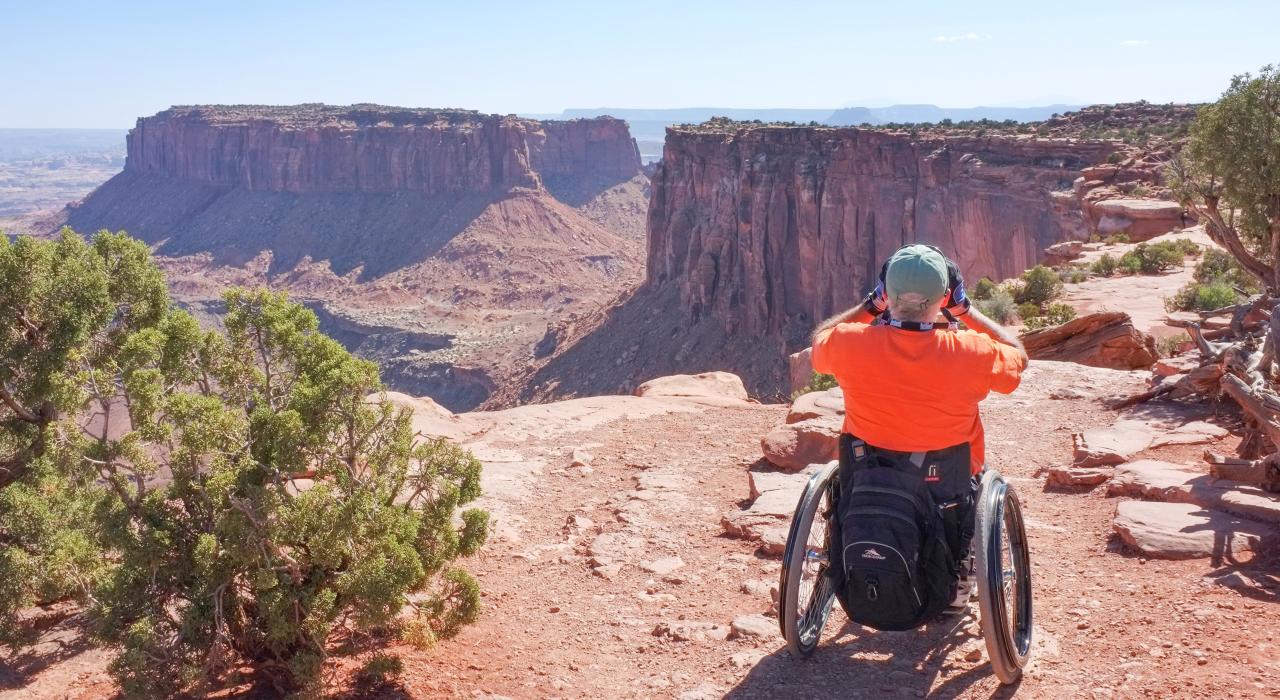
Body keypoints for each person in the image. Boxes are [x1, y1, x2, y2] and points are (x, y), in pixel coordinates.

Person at [809, 244, 1028, 611]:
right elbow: (1018, 356)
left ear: (886, 295)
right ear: (944, 297)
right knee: (977, 482)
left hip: (868, 473)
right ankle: (959, 577)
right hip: (946, 482)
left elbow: (820, 340)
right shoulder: (971, 352)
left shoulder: (850, 344)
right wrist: (965, 311)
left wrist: (870, 306)